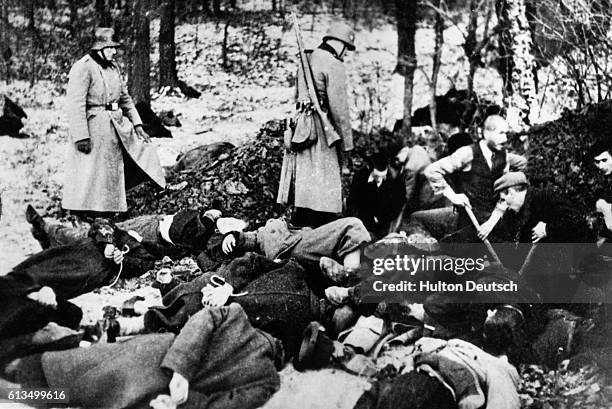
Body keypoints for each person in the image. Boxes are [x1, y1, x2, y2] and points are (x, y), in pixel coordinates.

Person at [3, 304, 282, 409]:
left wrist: (180, 369)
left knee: (78, 369)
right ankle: (15, 391)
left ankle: (14, 380)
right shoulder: (268, 381)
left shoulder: (237, 316)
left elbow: (201, 321)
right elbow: (220, 405)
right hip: (155, 389)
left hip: (154, 352)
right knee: (77, 392)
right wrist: (179, 402)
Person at [62, 27, 165, 218]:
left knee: (142, 153)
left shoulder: (113, 67)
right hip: (93, 127)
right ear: (98, 48)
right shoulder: (83, 67)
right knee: (92, 173)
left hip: (116, 124)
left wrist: (138, 125)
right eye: (110, 48)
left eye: (115, 48)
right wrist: (81, 136)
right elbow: (75, 105)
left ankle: (113, 207)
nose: (114, 52)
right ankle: (87, 213)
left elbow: (125, 98)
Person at [277, 21, 355, 228]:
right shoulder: (333, 63)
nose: (346, 54)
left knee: (305, 189)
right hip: (322, 129)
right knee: (325, 191)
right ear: (341, 44)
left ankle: (300, 231)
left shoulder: (307, 58)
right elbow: (340, 111)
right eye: (347, 49)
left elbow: (297, 96)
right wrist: (347, 145)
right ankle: (322, 235)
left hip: (303, 129)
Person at [417, 115, 527, 242]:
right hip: (468, 219)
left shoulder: (501, 157)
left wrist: (512, 184)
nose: (505, 138)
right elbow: (432, 171)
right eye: (501, 133)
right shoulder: (463, 157)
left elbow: (521, 164)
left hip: (494, 219)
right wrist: (454, 196)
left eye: (505, 133)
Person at [347, 152, 406, 239]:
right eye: (377, 176)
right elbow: (352, 202)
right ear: (369, 169)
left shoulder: (396, 180)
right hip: (363, 222)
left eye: (383, 176)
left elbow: (399, 203)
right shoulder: (360, 177)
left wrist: (383, 218)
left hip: (385, 223)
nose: (380, 180)